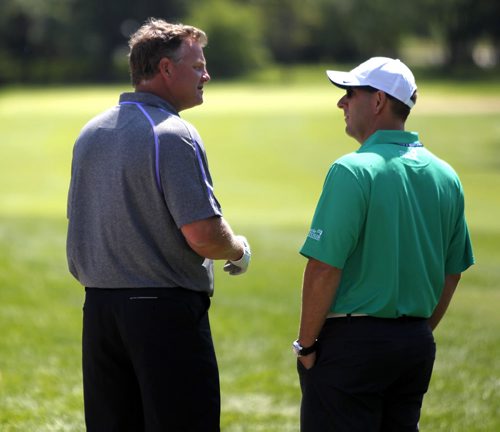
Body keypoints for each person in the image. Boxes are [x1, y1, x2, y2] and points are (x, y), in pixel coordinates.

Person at [66, 18, 251, 432]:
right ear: (166, 69)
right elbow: (203, 235)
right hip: (163, 316)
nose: (207, 75)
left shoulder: (90, 132)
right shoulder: (172, 134)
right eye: (197, 65)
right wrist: (238, 249)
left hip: (99, 314)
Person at [293, 57, 474, 431]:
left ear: (377, 101)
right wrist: (417, 330)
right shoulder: (446, 175)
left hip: (351, 347)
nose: (341, 103)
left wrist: (306, 346)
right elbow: (452, 271)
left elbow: (324, 267)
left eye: (349, 94)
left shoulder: (352, 170)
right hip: (415, 344)